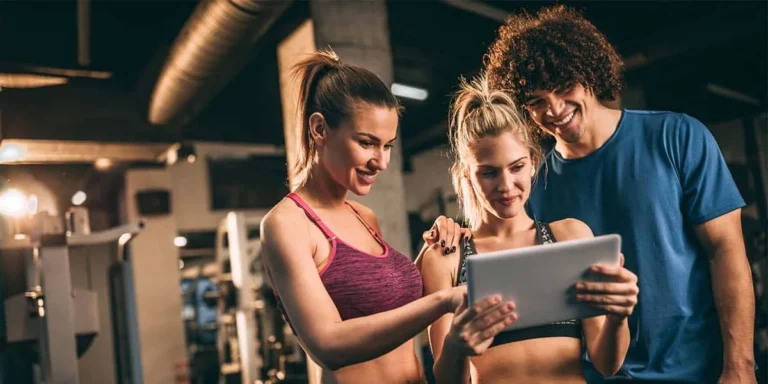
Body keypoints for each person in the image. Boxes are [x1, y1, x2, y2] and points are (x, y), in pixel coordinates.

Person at [484, 5, 756, 383]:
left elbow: (726, 252)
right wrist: (452, 231)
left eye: (564, 88)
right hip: (593, 375)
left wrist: (739, 366)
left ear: (590, 75)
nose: (555, 110)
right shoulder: (531, 182)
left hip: (695, 370)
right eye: (537, 101)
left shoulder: (677, 137)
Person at [259, 50, 512, 384]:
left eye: (388, 145)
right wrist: (444, 300)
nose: (381, 161)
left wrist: (436, 245)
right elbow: (329, 346)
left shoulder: (364, 216)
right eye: (367, 143)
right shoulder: (287, 224)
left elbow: (390, 305)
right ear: (320, 128)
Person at [419, 74, 638, 384]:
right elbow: (447, 381)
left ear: (533, 161)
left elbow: (606, 364)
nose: (506, 186)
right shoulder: (446, 257)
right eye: (489, 173)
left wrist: (618, 318)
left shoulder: (570, 238)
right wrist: (456, 345)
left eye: (517, 167)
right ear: (467, 175)